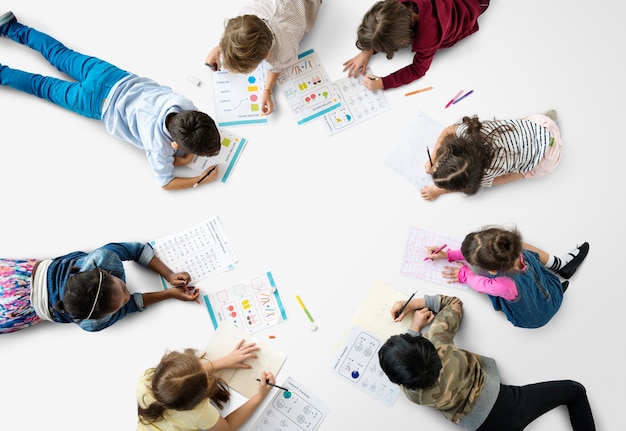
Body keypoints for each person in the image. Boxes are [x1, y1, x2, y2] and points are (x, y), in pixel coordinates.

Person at [0, 11, 220, 190]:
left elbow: (185, 136)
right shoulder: (157, 145)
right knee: (42, 86)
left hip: (109, 75)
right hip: (95, 103)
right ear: (175, 144)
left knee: (59, 54)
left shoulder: (185, 103)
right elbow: (166, 182)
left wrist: (186, 153)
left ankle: (10, 28)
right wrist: (198, 179)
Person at [380, 294, 596, 430]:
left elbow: (408, 373)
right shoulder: (439, 342)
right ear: (426, 346)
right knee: (574, 391)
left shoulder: (412, 395)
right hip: (510, 404)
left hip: (480, 427)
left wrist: (413, 332)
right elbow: (454, 303)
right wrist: (417, 314)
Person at [0, 242, 200, 334]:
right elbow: (132, 305)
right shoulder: (91, 324)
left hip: (15, 286)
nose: (127, 295)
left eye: (122, 289)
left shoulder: (103, 258)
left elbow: (136, 250)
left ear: (104, 271)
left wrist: (169, 274)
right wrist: (167, 294)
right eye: (121, 302)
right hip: (14, 303)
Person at [425, 225, 589, 328]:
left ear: (493, 271)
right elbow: (480, 253)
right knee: (529, 261)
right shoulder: (512, 248)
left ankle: (553, 281)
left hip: (535, 318)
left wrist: (465, 275)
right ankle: (558, 265)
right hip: (553, 291)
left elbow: (479, 284)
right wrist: (449, 255)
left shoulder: (504, 284)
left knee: (492, 284)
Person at [204, 0, 323, 115]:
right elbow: (235, 37)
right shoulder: (246, 15)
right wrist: (219, 48)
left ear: (266, 55)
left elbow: (276, 68)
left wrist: (267, 90)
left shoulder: (283, 53)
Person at [343, 0, 490, 90]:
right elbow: (382, 26)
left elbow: (417, 70)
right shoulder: (394, 7)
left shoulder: (429, 37)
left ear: (402, 42)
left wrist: (384, 83)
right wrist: (366, 51)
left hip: (472, 3)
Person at [421, 110, 561, 201]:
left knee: (523, 172)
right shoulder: (469, 131)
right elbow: (448, 130)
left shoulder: (487, 174)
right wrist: (433, 158)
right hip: (541, 124)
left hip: (547, 157)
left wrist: (437, 191)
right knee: (505, 128)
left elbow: (507, 178)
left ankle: (553, 139)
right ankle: (551, 127)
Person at [137, 343, 274, 431]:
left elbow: (181, 379)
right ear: (200, 398)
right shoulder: (199, 413)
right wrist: (259, 396)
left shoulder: (145, 380)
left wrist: (224, 362)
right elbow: (227, 428)